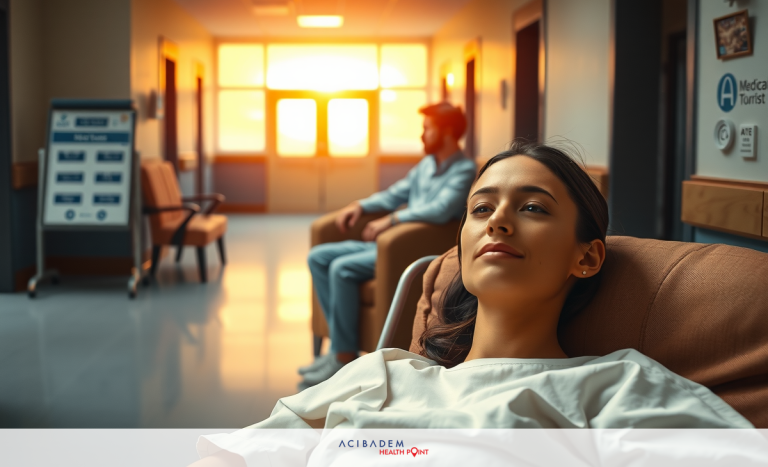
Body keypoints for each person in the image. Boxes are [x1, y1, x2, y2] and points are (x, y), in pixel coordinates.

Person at [190, 141, 751, 467]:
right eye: (481, 209)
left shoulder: (616, 390)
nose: (499, 220)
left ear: (587, 258)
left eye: (533, 208)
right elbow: (230, 456)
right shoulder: (381, 373)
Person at [300, 101, 477, 387]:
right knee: (319, 257)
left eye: (427, 129)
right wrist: (361, 205)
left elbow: (441, 209)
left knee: (342, 269)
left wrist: (391, 220)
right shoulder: (426, 165)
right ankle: (338, 346)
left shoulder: (464, 170)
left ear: (445, 133)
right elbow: (394, 194)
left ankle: (343, 356)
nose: (422, 135)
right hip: (388, 246)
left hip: (409, 249)